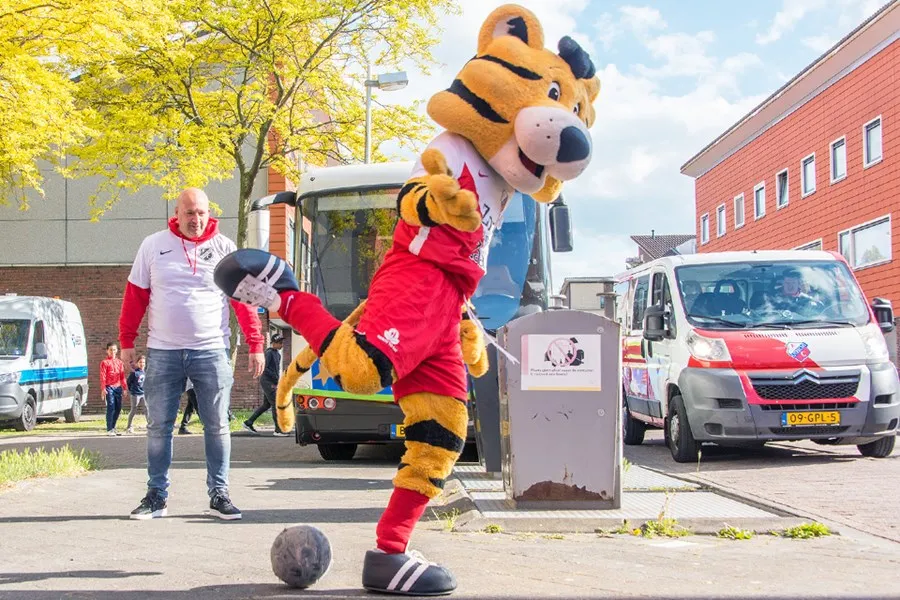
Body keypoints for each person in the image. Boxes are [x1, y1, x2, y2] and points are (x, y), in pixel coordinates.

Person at [118, 187, 265, 521]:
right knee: (158, 426)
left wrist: (256, 344)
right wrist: (127, 340)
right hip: (163, 351)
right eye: (189, 213)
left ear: (209, 213)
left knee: (216, 426)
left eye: (201, 213)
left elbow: (243, 300)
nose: (196, 220)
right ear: (177, 213)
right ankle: (156, 496)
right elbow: (135, 296)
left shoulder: (225, 248)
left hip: (211, 350)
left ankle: (220, 495)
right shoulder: (153, 246)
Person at [243, 333, 288, 436]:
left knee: (266, 404)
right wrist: (275, 379)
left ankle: (248, 422)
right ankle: (278, 430)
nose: (281, 345)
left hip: (273, 381)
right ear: (274, 343)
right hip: (267, 381)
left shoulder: (278, 354)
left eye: (282, 343)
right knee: (276, 404)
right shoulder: (269, 353)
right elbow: (265, 369)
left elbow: (276, 370)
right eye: (279, 343)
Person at [100, 342, 128, 436]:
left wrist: (124, 388)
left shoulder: (119, 362)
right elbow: (103, 376)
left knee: (118, 408)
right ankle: (109, 429)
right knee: (111, 406)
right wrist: (103, 388)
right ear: (107, 351)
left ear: (117, 350)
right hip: (109, 387)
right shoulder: (104, 362)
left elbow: (122, 376)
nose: (112, 351)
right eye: (110, 350)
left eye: (114, 349)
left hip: (118, 387)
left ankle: (113, 427)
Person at [124, 354, 146, 434]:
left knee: (146, 409)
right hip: (135, 394)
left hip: (143, 393)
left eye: (143, 362)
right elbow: (128, 382)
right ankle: (129, 427)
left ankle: (150, 426)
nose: (142, 364)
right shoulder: (134, 373)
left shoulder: (145, 372)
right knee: (133, 409)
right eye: (140, 362)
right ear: (137, 363)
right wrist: (131, 391)